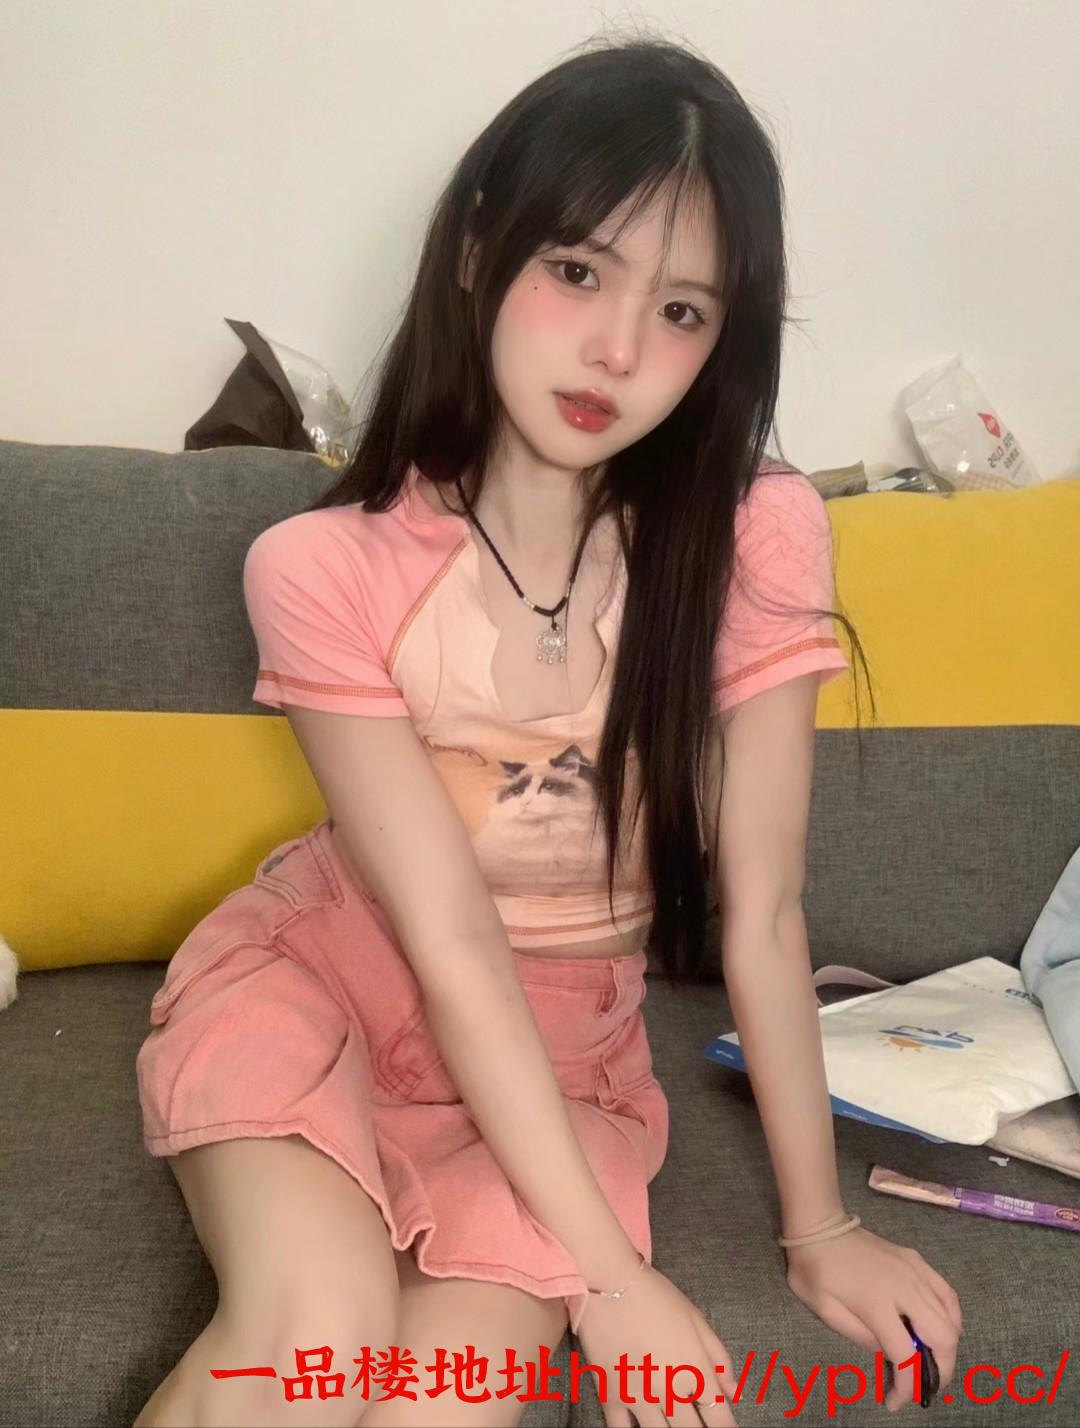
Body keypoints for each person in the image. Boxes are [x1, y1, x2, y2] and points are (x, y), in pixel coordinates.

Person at [134, 31, 962, 1428]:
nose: (618, 352)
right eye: (577, 271)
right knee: (310, 1335)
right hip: (329, 984)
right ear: (478, 251)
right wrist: (611, 1275)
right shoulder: (324, 569)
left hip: (567, 1055)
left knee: (438, 1402)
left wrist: (820, 1231)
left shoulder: (755, 534)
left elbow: (765, 910)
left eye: (682, 310)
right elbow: (449, 937)